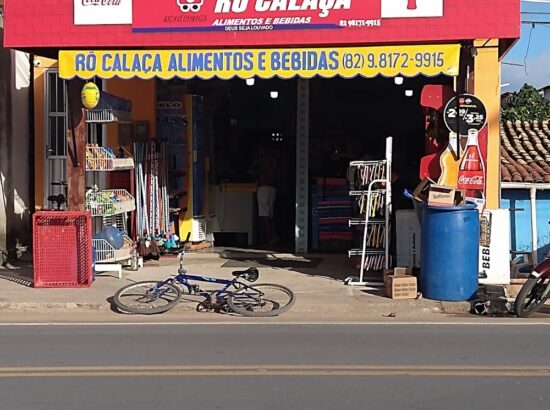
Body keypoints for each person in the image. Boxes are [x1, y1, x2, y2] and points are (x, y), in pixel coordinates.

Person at [256, 145, 281, 247]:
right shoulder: (274, 161)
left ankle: (270, 238)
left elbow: (260, 172)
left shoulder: (263, 160)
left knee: (264, 215)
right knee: (270, 215)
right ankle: (274, 237)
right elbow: (278, 176)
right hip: (272, 188)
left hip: (264, 187)